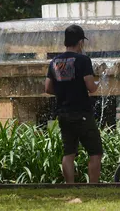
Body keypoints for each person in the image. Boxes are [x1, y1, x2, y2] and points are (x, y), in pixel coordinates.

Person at [44, 24, 103, 183]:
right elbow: (91, 88)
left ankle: (70, 186)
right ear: (80, 42)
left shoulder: (55, 62)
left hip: (63, 113)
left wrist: (65, 91)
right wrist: (98, 83)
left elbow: (48, 88)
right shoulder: (83, 60)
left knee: (69, 153)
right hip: (82, 113)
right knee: (95, 152)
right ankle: (93, 187)